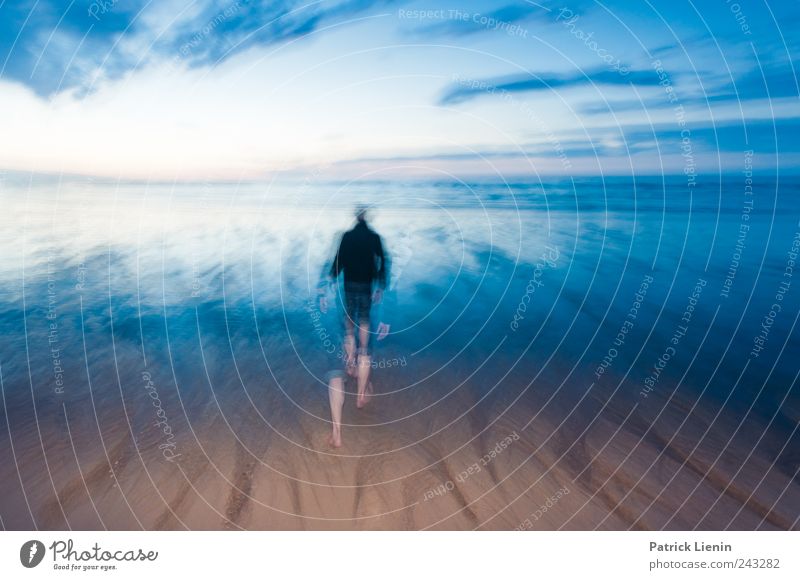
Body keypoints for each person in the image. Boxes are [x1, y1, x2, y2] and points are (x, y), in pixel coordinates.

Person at [318, 205, 389, 447]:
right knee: (365, 325)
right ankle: (360, 392)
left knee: (348, 324)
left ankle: (350, 359)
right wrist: (380, 283)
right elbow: (383, 261)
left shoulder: (347, 237)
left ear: (354, 218)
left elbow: (338, 261)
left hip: (349, 286)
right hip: (366, 286)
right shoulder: (374, 237)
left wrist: (330, 279)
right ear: (367, 218)